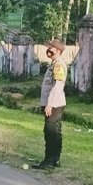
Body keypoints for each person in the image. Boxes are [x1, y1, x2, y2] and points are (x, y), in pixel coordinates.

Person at [33, 39, 67, 170]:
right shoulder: (54, 64)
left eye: (51, 48)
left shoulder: (58, 65)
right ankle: (55, 159)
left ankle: (49, 161)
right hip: (54, 103)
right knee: (53, 131)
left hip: (54, 104)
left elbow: (57, 86)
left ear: (57, 50)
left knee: (51, 132)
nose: (48, 50)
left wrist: (50, 104)